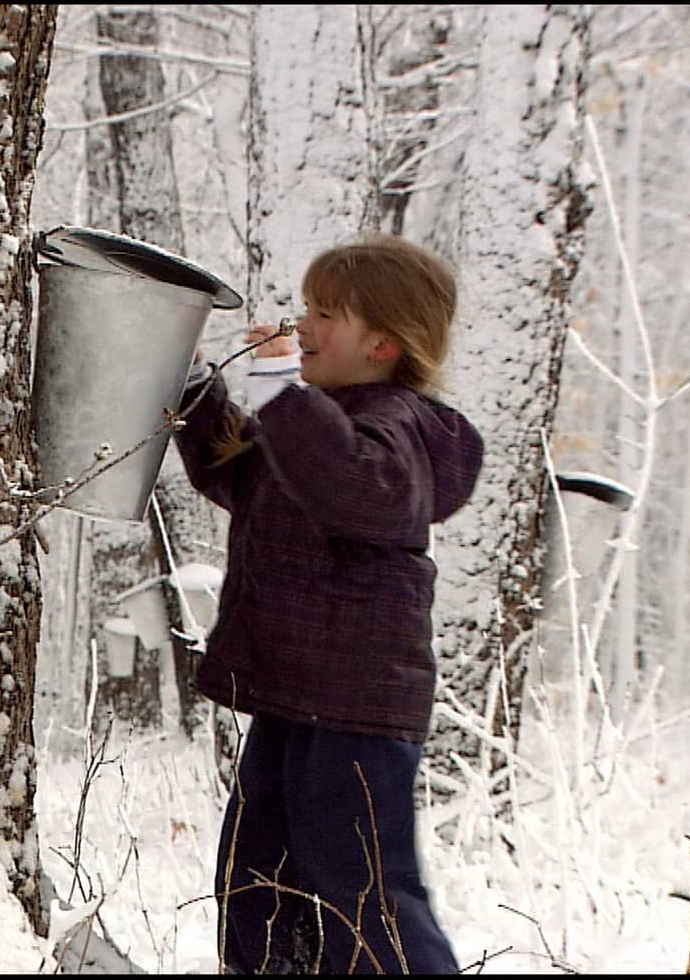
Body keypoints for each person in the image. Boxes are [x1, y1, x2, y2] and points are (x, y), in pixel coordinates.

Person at [174, 233, 483, 974]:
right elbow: (242, 473)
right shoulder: (320, 428)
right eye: (306, 306)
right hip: (295, 700)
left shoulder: (398, 427)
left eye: (327, 313)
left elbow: (356, 489)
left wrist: (283, 394)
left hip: (356, 711)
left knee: (365, 891)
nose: (302, 324)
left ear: (382, 342)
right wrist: (186, 382)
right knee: (258, 880)